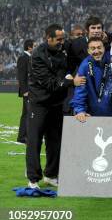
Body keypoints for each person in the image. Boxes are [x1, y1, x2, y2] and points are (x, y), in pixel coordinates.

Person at [26, 24, 84, 189]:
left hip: (56, 103)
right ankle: (33, 179)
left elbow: (78, 47)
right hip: (40, 103)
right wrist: (71, 81)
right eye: (58, 39)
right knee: (34, 141)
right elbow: (49, 84)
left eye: (63, 38)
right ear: (48, 38)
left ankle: (51, 175)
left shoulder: (63, 49)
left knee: (55, 141)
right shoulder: (37, 55)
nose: (62, 42)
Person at [70, 38, 112, 121]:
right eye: (93, 48)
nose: (96, 51)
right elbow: (80, 90)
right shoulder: (85, 66)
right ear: (88, 51)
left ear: (104, 48)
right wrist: (80, 111)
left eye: (99, 47)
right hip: (92, 115)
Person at [16, 39, 34, 144]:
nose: (35, 48)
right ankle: (25, 137)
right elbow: (21, 76)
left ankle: (22, 137)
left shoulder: (28, 58)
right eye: (34, 46)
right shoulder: (23, 58)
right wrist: (24, 91)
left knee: (26, 114)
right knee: (28, 114)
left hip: (30, 90)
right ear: (29, 47)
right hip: (27, 91)